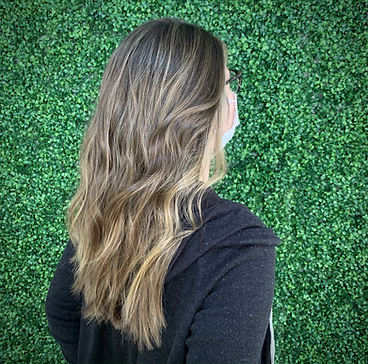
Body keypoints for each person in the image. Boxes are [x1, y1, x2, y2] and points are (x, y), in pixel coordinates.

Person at [45, 18, 281, 364]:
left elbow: (61, 311)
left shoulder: (106, 207)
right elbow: (62, 310)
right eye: (228, 82)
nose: (233, 96)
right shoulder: (239, 244)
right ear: (194, 113)